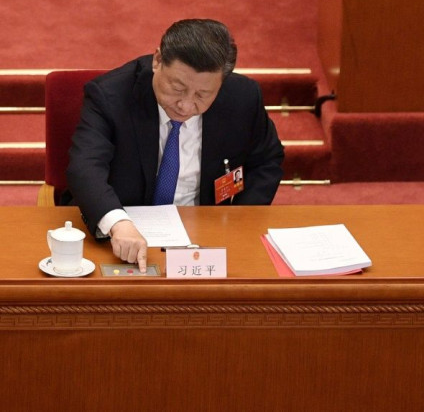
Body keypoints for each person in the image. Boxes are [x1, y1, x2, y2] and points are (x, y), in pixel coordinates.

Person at [65, 19, 284, 272]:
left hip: (206, 233)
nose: (186, 106)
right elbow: (84, 167)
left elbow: (267, 159)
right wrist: (117, 222)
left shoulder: (243, 97)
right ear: (157, 60)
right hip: (124, 230)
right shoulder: (110, 96)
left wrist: (239, 220)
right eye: (177, 88)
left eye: (202, 95)